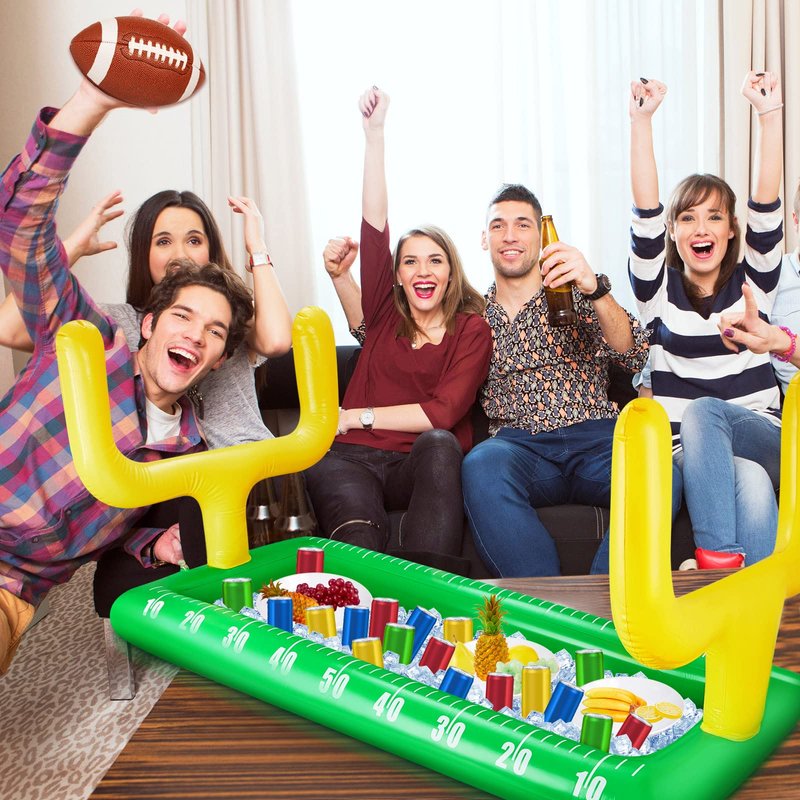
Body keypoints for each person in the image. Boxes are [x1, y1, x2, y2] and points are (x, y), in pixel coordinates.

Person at [0, 64, 255, 674]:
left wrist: (151, 542)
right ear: (148, 323)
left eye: (214, 331)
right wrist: (93, 102)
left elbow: (109, 524)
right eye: (183, 316)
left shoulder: (183, 453)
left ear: (219, 357)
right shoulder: (87, 340)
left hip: (13, 588)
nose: (195, 334)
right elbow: (22, 231)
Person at [304, 88, 492, 571]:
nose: (423, 271)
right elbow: (374, 226)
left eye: (435, 261)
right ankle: (363, 607)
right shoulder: (384, 313)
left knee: (440, 443)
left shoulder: (471, 330)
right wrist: (374, 135)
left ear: (451, 272)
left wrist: (356, 416)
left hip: (419, 463)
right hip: (349, 460)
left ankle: (432, 590)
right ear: (398, 276)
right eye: (410, 262)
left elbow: (442, 414)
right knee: (361, 546)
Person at [628, 72, 784, 569]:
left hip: (759, 431)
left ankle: (715, 559)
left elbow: (767, 208)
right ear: (673, 233)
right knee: (751, 483)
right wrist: (640, 121)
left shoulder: (752, 285)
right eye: (688, 218)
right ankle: (746, 599)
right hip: (688, 452)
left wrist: (769, 115)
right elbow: (644, 213)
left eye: (715, 216)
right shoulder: (656, 295)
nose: (702, 228)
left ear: (731, 229)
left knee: (704, 413)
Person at [460, 184, 648, 577]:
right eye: (498, 225)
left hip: (595, 441)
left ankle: (601, 598)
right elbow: (389, 334)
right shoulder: (471, 317)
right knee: (480, 464)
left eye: (522, 225)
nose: (510, 235)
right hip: (520, 448)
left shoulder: (579, 293)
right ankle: (543, 602)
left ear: (541, 237)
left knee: (658, 468)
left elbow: (634, 354)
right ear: (484, 239)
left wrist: (595, 289)